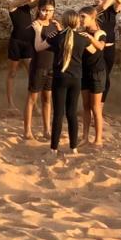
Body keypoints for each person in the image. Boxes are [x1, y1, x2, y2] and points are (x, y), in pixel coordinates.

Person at [34, 10, 94, 156]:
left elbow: (38, 47)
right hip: (76, 79)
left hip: (60, 79)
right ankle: (73, 148)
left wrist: (38, 31)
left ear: (64, 21)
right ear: (77, 22)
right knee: (72, 114)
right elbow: (93, 51)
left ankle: (54, 149)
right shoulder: (82, 39)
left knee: (58, 115)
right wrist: (91, 38)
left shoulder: (56, 37)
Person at [6, 0, 43, 110]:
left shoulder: (27, 7)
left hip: (28, 43)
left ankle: (35, 105)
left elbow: (38, 2)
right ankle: (10, 104)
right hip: (16, 42)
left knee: (32, 74)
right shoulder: (12, 5)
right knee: (12, 73)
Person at [23, 0, 56, 141]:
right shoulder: (34, 25)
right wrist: (38, 30)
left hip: (52, 67)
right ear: (38, 9)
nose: (46, 13)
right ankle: (27, 130)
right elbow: (35, 48)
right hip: (38, 67)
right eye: (43, 10)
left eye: (49, 10)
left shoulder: (55, 25)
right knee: (32, 99)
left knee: (47, 99)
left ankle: (46, 129)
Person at [79, 6, 107, 146]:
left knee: (96, 107)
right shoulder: (82, 32)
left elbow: (101, 46)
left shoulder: (100, 32)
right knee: (85, 106)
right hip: (84, 73)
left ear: (92, 17)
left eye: (83, 16)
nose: (80, 19)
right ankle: (84, 137)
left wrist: (89, 38)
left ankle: (98, 139)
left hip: (97, 73)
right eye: (80, 16)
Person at [93, 0, 121, 104]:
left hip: (110, 49)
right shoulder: (92, 10)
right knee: (98, 77)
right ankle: (94, 107)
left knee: (106, 79)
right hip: (97, 48)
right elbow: (104, 5)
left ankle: (100, 107)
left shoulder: (112, 10)